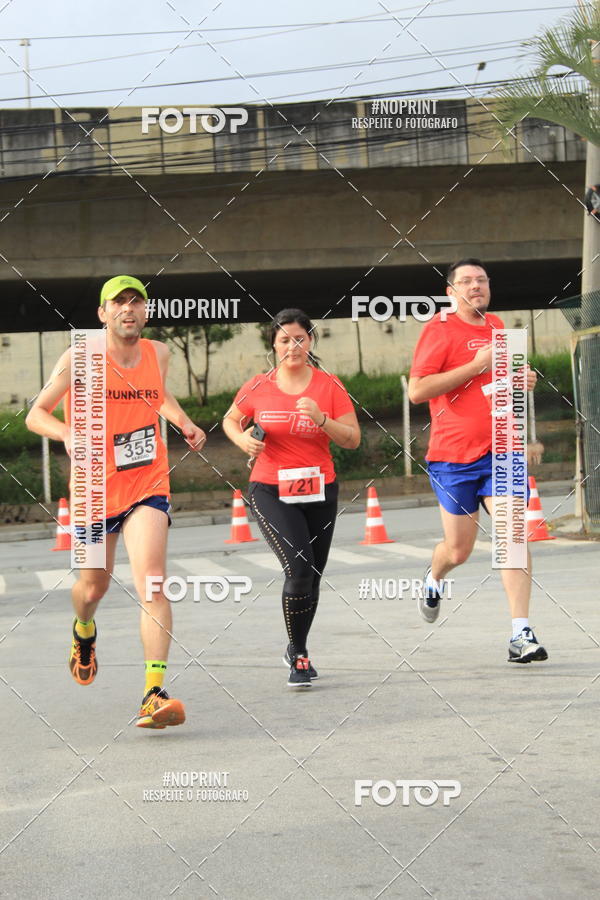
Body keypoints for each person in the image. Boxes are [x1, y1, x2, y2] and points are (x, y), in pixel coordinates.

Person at [25, 275, 207, 727]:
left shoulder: (158, 353)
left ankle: (153, 692)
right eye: (118, 302)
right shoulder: (81, 357)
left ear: (144, 312)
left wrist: (182, 421)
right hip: (92, 489)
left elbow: (156, 394)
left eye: (136, 302)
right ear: (103, 313)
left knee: (153, 584)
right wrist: (66, 431)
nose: (129, 309)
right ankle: (84, 630)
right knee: (93, 588)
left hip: (147, 482)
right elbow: (35, 414)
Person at [408, 258, 547, 663]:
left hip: (500, 451)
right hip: (452, 457)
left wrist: (524, 377)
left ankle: (520, 633)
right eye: (466, 281)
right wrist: (474, 365)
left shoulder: (499, 328)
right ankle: (433, 578)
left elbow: (502, 384)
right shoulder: (439, 329)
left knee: (511, 537)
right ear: (451, 292)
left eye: (481, 280)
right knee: (458, 550)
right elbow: (417, 391)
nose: (475, 286)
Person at [223, 309, 360, 687]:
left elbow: (352, 438)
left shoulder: (329, 385)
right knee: (299, 569)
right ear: (274, 345)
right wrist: (241, 439)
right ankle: (299, 654)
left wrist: (321, 419)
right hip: (271, 489)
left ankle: (294, 645)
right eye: (284, 339)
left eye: (299, 338)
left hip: (320, 488)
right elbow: (229, 420)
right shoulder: (258, 385)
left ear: (310, 341)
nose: (292, 346)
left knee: (312, 575)